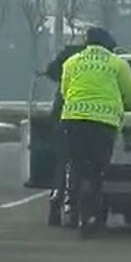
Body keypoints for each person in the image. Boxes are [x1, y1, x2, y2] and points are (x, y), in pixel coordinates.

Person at [61, 27, 131, 236]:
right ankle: (92, 215)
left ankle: (72, 209)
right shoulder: (117, 64)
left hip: (73, 120)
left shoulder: (71, 62)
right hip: (102, 123)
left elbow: (65, 90)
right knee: (96, 171)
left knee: (76, 165)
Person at [44, 44, 85, 227]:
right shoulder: (106, 57)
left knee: (63, 158)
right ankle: (77, 202)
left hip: (63, 110)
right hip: (88, 113)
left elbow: (51, 71)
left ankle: (56, 196)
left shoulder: (69, 54)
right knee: (83, 160)